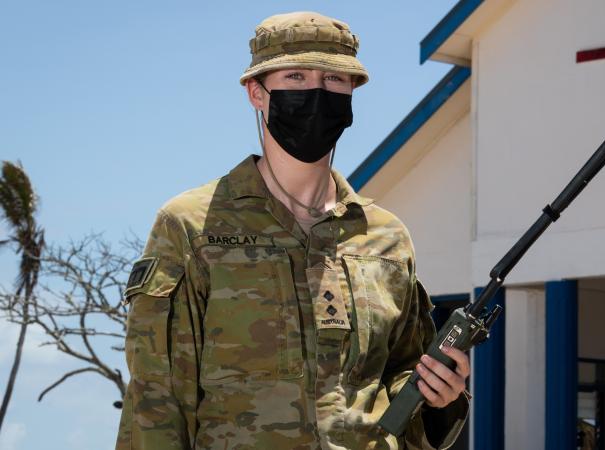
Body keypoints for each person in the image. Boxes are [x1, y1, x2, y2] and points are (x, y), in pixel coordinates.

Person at [115, 11, 470, 450]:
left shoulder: (386, 238)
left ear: (352, 93)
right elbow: (158, 396)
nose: (317, 93)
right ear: (256, 93)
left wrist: (440, 396)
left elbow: (399, 379)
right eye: (296, 77)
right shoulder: (192, 227)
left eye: (334, 80)